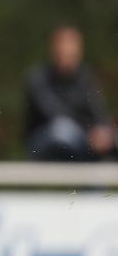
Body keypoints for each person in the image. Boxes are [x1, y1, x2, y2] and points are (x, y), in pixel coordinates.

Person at [25, 25, 117, 161]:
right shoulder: (38, 78)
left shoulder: (85, 77)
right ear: (53, 49)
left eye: (72, 52)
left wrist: (104, 131)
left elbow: (98, 112)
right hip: (45, 141)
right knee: (63, 130)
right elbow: (54, 114)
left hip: (83, 141)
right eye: (63, 51)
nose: (67, 56)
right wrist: (89, 133)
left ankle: (96, 179)